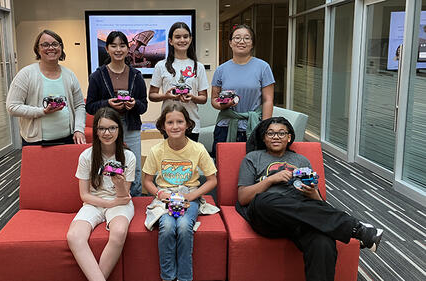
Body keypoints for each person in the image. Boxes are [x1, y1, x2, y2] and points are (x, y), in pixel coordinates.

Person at [236, 117, 384, 281]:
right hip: (267, 215)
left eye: (281, 133)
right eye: (270, 133)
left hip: (300, 216)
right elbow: (243, 198)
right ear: (264, 138)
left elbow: (318, 205)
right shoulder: (253, 158)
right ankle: (356, 228)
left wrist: (312, 192)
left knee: (323, 241)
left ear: (289, 137)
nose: (276, 137)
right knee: (266, 201)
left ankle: (357, 229)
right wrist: (271, 179)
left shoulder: (301, 160)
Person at [143, 104, 218, 281]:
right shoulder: (157, 150)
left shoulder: (197, 149)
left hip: (189, 196)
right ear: (163, 126)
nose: (175, 126)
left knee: (184, 227)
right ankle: (168, 277)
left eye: (179, 121)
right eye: (170, 122)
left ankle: (185, 278)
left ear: (188, 124)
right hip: (165, 197)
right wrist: (160, 194)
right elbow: (146, 181)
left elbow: (212, 180)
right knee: (168, 227)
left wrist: (192, 196)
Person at [67, 107, 135, 281]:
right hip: (94, 202)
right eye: (102, 128)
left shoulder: (128, 157)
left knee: (119, 232)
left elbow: (124, 196)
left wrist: (119, 185)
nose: (107, 133)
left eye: (112, 128)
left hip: (119, 202)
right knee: (74, 236)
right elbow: (84, 195)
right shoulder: (86, 156)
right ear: (96, 131)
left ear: (119, 130)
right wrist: (110, 203)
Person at [86, 31, 148, 197]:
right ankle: (109, 197)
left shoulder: (136, 75)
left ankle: (133, 198)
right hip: (107, 127)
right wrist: (107, 103)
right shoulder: (98, 75)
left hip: (131, 124)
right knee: (106, 163)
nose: (118, 49)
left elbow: (144, 106)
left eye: (122, 45)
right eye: (113, 45)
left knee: (133, 165)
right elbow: (90, 106)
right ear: (107, 49)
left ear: (128, 49)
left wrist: (134, 104)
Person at [7, 29, 86, 146]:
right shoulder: (26, 74)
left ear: (61, 48)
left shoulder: (69, 75)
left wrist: (79, 129)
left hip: (68, 140)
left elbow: (79, 105)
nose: (51, 48)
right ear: (38, 49)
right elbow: (12, 107)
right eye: (45, 45)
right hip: (36, 143)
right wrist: (42, 111)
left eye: (55, 44)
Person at [210, 24, 275, 157]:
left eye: (247, 38)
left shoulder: (263, 67)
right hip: (225, 126)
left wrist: (265, 127)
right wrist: (224, 104)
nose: (241, 41)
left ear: (252, 44)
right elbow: (214, 100)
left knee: (252, 166)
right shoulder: (221, 69)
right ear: (230, 43)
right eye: (237, 38)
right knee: (224, 166)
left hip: (253, 126)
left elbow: (268, 100)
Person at [149, 22, 208, 142]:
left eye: (185, 37)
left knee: (190, 159)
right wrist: (166, 96)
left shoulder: (198, 66)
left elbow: (204, 98)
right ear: (170, 41)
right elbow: (152, 95)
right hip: (169, 123)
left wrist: (191, 97)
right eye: (177, 37)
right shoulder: (161, 66)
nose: (182, 40)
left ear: (190, 39)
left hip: (192, 124)